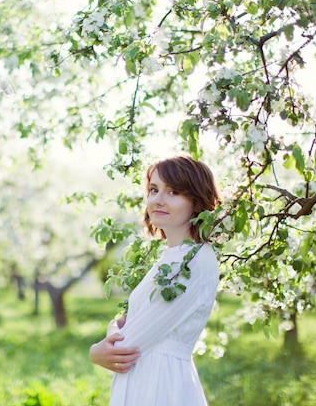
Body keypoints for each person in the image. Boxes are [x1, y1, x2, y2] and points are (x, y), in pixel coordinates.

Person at [89, 155, 221, 406]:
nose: (158, 200)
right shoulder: (172, 256)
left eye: (173, 192)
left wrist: (97, 350)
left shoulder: (192, 261)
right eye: (153, 189)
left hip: (161, 386)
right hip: (145, 379)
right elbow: (127, 323)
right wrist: (114, 328)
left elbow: (127, 344)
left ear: (196, 200)